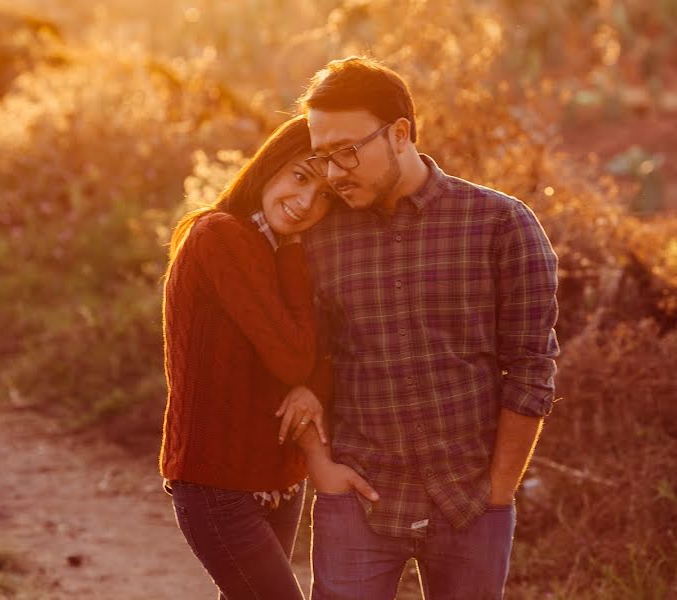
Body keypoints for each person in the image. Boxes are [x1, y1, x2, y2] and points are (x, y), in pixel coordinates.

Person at [295, 57, 560, 600]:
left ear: (399, 134)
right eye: (323, 157)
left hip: (470, 500)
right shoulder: (319, 238)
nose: (335, 172)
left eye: (347, 150)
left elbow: (531, 367)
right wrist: (320, 466)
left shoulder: (500, 225)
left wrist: (498, 492)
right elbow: (294, 358)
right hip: (359, 495)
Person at [159, 115, 374, 600]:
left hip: (279, 476)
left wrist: (310, 390)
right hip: (216, 483)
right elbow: (295, 355)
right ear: (271, 165)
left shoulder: (273, 246)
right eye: (301, 177)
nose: (305, 204)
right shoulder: (221, 236)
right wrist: (295, 252)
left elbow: (323, 346)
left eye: (325, 197)